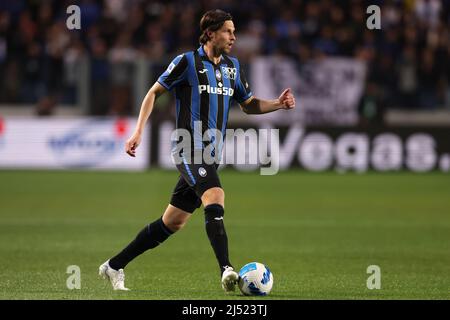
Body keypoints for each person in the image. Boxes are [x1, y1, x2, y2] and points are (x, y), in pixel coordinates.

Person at [99, 9, 295, 292]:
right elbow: (154, 92)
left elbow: (248, 103)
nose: (233, 36)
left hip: (211, 155)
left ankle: (113, 266)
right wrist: (138, 130)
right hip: (188, 148)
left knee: (173, 222)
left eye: (234, 31)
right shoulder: (186, 62)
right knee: (215, 195)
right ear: (211, 32)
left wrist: (277, 104)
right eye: (228, 30)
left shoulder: (232, 67)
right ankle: (227, 268)